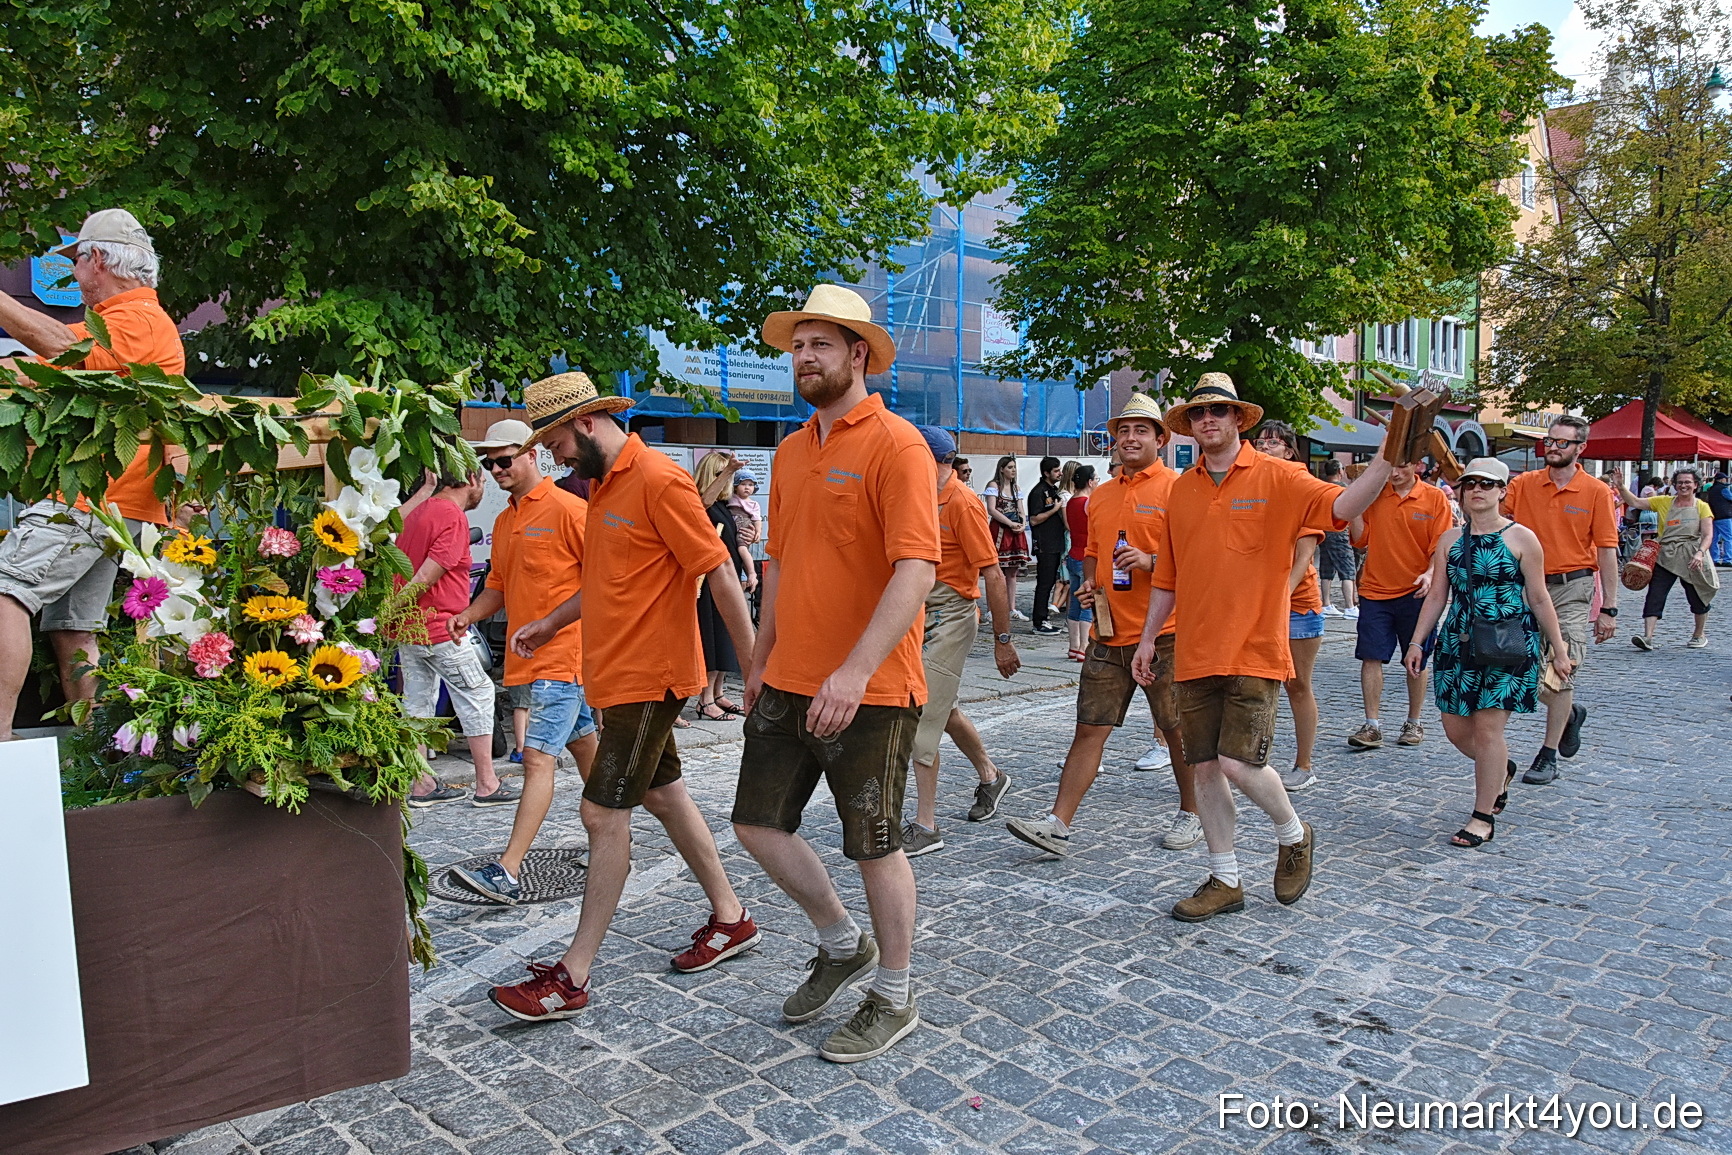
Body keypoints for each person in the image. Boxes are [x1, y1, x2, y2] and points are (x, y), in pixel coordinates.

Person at [482, 374, 761, 1019]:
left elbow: (717, 570)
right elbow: (609, 581)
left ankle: (572, 976)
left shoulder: (660, 479)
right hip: (614, 674)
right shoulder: (603, 487)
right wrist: (551, 622)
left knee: (603, 816)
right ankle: (730, 916)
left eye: (552, 440)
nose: (551, 455)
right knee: (664, 794)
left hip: (649, 676)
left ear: (584, 422)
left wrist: (753, 675)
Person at [731, 284, 939, 1063]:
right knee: (755, 821)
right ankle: (838, 940)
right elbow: (779, 564)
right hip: (788, 676)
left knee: (873, 843)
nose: (805, 356)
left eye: (821, 343)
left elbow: (915, 570)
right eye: (797, 345)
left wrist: (853, 671)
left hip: (873, 688)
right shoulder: (789, 451)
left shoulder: (897, 444)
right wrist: (759, 659)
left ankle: (894, 993)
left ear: (859, 354)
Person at [1132, 373, 1397, 922]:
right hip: (1194, 648)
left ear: (1237, 420)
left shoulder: (1280, 476)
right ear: (1190, 426)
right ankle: (1225, 878)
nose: (1209, 420)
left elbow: (1344, 507)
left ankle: (1293, 833)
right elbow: (1167, 578)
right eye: (1200, 413)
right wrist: (1148, 637)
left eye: (1219, 412)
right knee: (1202, 766)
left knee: (1237, 762)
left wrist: (1386, 461)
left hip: (1255, 645)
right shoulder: (1182, 488)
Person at [0, 210, 181, 740]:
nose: (74, 277)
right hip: (111, 504)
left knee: (5, 593)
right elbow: (45, 364)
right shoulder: (128, 323)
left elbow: (61, 348)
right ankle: (97, 748)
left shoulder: (138, 320)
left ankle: (1, 746)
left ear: (96, 259)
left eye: (75, 263)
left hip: (89, 497)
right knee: (73, 628)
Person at [1007, 394, 1202, 855]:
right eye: (1124, 430)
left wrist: (1150, 561)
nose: (1130, 438)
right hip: (1108, 633)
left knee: (1176, 731)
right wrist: (1090, 585)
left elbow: (1198, 560)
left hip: (1167, 635)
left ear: (1161, 438)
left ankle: (1192, 813)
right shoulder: (1103, 495)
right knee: (1089, 728)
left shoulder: (1179, 488)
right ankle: (1057, 823)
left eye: (1141, 430)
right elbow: (1092, 551)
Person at [446, 420, 598, 904]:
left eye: (503, 460)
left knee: (536, 759)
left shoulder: (571, 510)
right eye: (488, 464)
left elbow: (602, 582)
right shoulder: (505, 520)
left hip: (563, 659)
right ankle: (616, 836)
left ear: (533, 454)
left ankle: (508, 871)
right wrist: (465, 616)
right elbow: (498, 587)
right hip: (528, 663)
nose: (494, 470)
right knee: (587, 753)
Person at [1406, 458, 1573, 848]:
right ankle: (1500, 770)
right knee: (1454, 727)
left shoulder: (1522, 539)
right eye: (1469, 484)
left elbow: (1539, 596)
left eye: (1486, 484)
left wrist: (1559, 650)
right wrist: (1418, 641)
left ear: (1502, 491)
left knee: (1487, 728)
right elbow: (1436, 596)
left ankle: (1482, 816)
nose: (1477, 490)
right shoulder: (1449, 540)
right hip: (1458, 642)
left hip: (1508, 642)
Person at [900, 426, 1020, 856]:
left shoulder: (964, 502)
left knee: (922, 714)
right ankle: (991, 777)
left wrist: (1003, 639)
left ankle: (926, 824)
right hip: (918, 611)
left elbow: (992, 572)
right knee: (944, 708)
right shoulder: (916, 494)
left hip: (951, 613)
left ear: (941, 462)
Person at [1501, 416, 1621, 785]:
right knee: (1522, 674)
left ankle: (1548, 754)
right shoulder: (1523, 485)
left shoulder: (1596, 492)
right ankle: (1569, 715)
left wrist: (1609, 609)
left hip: (1572, 589)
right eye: (1549, 442)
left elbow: (1606, 551)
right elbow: (1494, 522)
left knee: (1559, 671)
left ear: (1580, 448)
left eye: (1562, 443)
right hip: (1524, 588)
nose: (1552, 448)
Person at [398, 469, 510, 807]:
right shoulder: (451, 515)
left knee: (418, 701)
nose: (483, 491)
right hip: (442, 626)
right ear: (470, 481)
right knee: (478, 693)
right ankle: (487, 784)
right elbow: (431, 572)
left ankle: (422, 784)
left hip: (409, 628)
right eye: (483, 483)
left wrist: (393, 612)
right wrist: (392, 607)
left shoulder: (419, 510)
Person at [1344, 459, 1451, 750]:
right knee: (1370, 656)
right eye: (1390, 466)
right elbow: (1360, 540)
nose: (1394, 473)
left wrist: (1430, 574)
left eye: (1402, 466)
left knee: (1416, 659)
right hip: (1375, 590)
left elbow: (1441, 546)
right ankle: (1372, 725)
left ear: (1417, 465)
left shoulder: (1434, 498)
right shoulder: (1376, 495)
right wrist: (1355, 498)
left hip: (1415, 593)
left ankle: (1414, 722)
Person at [1250, 421, 1324, 791]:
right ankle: (1251, 758)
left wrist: (1279, 597)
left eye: (1274, 443)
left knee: (1297, 684)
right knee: (1256, 683)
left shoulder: (1299, 488)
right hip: (1256, 601)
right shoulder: (1251, 487)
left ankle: (1304, 763)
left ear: (1290, 451)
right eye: (1261, 441)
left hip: (1296, 603)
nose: (1265, 447)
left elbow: (1303, 556)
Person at [1618, 467, 1718, 651]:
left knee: (1697, 596)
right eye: (1680, 482)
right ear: (1674, 484)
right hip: (1666, 555)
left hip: (1691, 555)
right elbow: (1635, 502)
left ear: (1695, 485)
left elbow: (1707, 535)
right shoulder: (1663, 502)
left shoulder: (1702, 507)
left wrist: (1700, 553)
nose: (1683, 485)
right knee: (1655, 594)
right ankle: (1648, 637)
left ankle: (1699, 634)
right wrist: (1620, 486)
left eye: (1688, 482)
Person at [694, 452, 750, 721]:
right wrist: (730, 471)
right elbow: (701, 502)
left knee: (725, 639)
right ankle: (705, 700)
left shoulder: (725, 507)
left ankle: (717, 692)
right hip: (709, 583)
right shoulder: (703, 503)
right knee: (712, 640)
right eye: (723, 473)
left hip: (727, 580)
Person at [984, 457, 1030, 621]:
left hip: (1014, 532)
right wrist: (1010, 523)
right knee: (996, 571)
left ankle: (1011, 608)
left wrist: (1023, 523)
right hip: (1000, 531)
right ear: (1002, 469)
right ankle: (991, 610)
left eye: (1014, 467)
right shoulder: (994, 486)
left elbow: (1021, 510)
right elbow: (991, 509)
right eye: (1010, 467)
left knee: (1012, 572)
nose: (1013, 470)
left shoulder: (1016, 488)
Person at [1026, 456, 1067, 635]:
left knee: (1051, 581)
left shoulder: (1053, 490)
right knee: (1044, 583)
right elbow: (1034, 520)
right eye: (1056, 471)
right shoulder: (1038, 492)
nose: (1060, 473)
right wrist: (1054, 510)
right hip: (1045, 544)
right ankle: (1039, 621)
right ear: (1046, 473)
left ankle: (1044, 619)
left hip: (1055, 543)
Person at [1316, 458, 1359, 619]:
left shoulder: (1322, 488)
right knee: (1348, 569)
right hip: (1340, 532)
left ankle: (1326, 604)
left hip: (1324, 530)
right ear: (1340, 472)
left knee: (1326, 569)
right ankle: (1350, 607)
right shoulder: (1344, 489)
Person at [1063, 464, 1098, 661]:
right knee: (1086, 600)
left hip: (1073, 554)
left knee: (1074, 601)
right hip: (1086, 556)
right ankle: (1084, 645)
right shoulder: (1088, 502)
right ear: (1090, 481)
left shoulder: (1071, 502)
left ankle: (1073, 645)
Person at [1705, 471, 1732, 566]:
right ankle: (1727, 559)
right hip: (1725, 516)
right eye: (1725, 478)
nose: (1726, 480)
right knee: (1728, 538)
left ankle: (1714, 559)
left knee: (1714, 538)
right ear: (1721, 479)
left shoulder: (1711, 489)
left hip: (1714, 516)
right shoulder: (1724, 489)